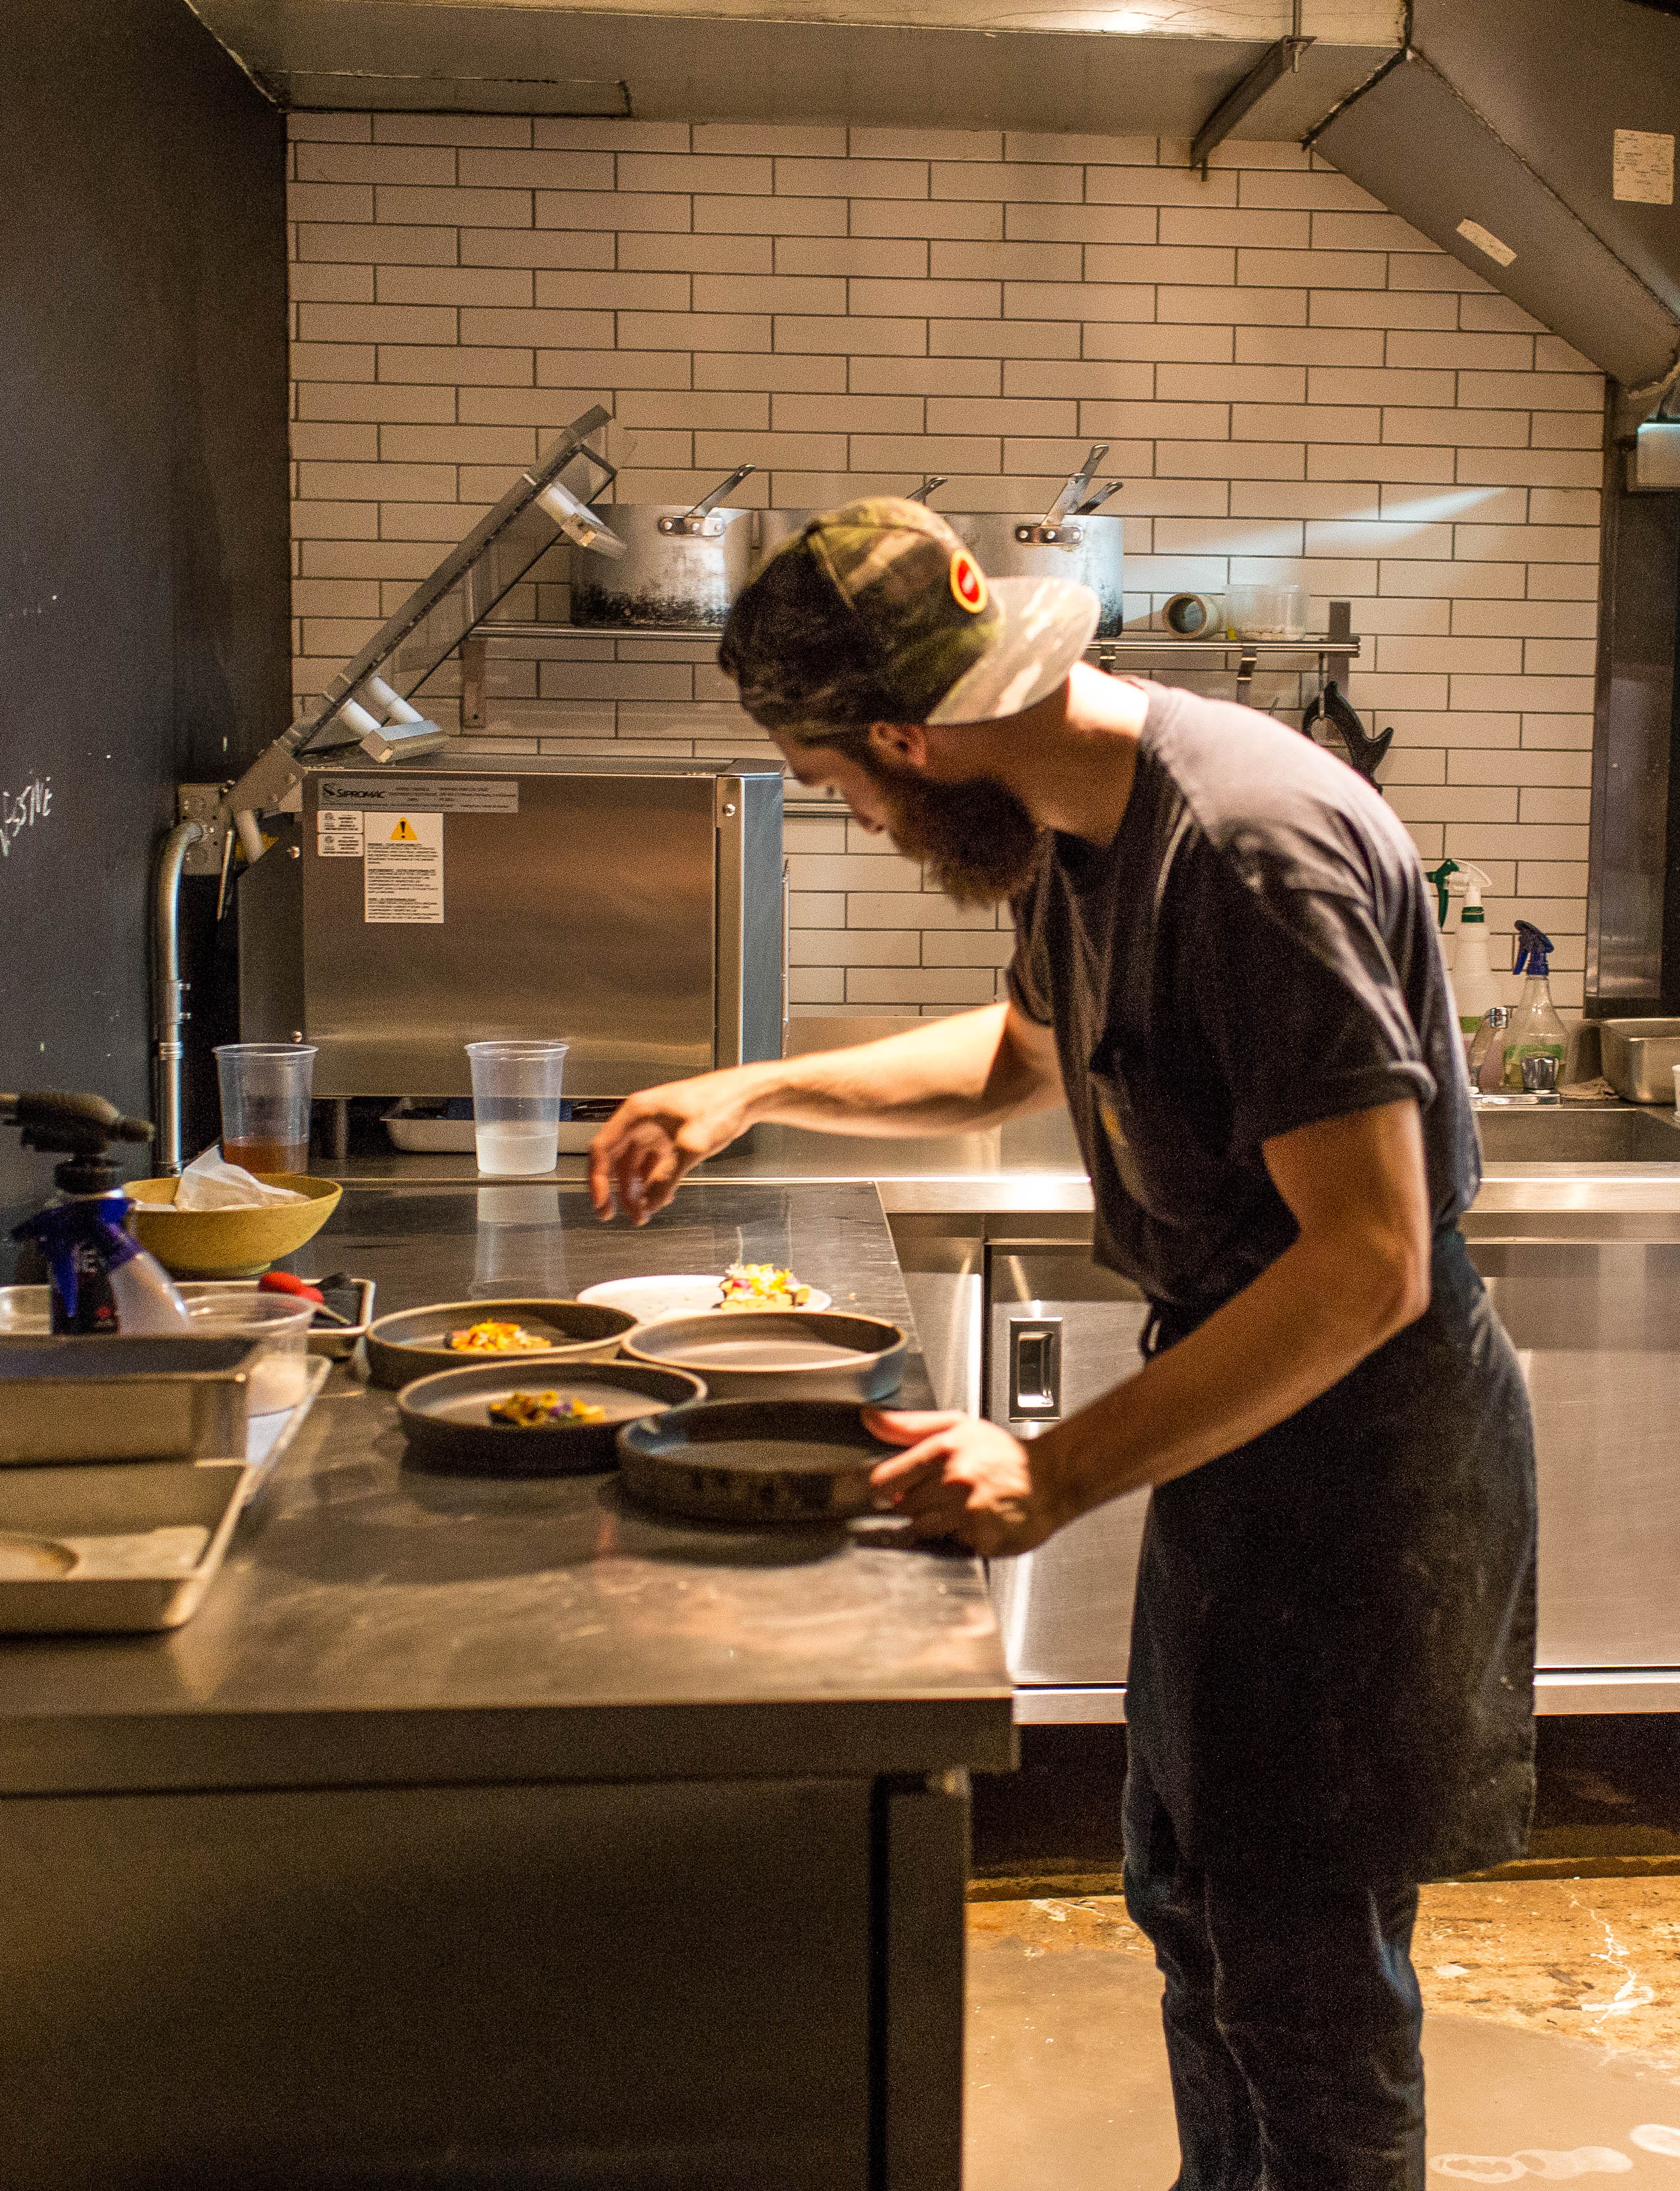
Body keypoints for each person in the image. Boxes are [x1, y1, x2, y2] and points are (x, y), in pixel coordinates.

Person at [589, 500, 1537, 2187]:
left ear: (904, 737)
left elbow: (1371, 1266)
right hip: (1254, 1437)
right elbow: (1015, 1060)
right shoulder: (1079, 818)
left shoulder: (1247, 852)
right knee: (1195, 1904)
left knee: (1306, 1976)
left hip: (1357, 1459)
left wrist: (1050, 1464)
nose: (858, 819)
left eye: (838, 784)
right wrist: (756, 1089)